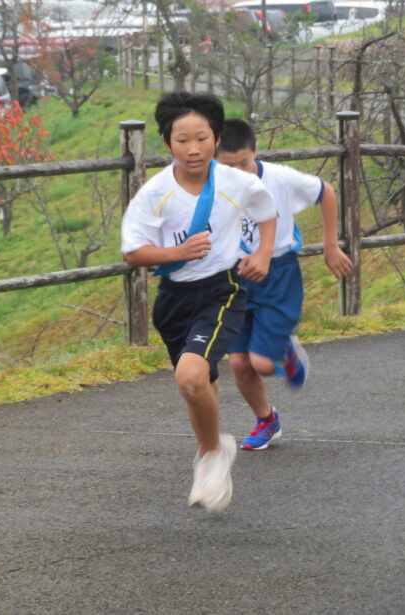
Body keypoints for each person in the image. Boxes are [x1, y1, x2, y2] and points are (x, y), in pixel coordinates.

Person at [121, 93, 278, 512]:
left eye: (202, 138)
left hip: (221, 290)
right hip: (173, 300)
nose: (193, 149)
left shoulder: (236, 182)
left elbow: (266, 210)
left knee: (189, 377)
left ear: (217, 138)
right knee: (199, 386)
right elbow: (134, 253)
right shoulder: (154, 193)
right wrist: (178, 253)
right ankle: (211, 450)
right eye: (182, 140)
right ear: (168, 143)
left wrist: (262, 253)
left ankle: (211, 455)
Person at [216, 118, 353, 451]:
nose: (239, 173)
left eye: (244, 164)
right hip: (237, 278)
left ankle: (286, 351)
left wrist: (330, 245)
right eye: (228, 167)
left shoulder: (280, 178)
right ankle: (267, 420)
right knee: (237, 362)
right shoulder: (212, 184)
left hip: (278, 275)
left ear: (256, 153)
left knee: (261, 364)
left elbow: (326, 192)